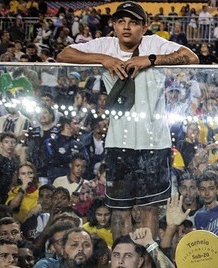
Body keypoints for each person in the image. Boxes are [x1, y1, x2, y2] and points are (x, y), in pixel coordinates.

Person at [57, 1, 199, 239]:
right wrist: (103, 59)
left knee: (149, 208)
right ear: (113, 25)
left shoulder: (154, 43)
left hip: (155, 141)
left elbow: (190, 57)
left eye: (133, 22)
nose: (126, 27)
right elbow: (64, 54)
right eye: (121, 21)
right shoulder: (106, 45)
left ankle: (148, 261)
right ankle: (121, 260)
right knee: (119, 208)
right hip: (118, 142)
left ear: (144, 26)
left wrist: (150, 59)